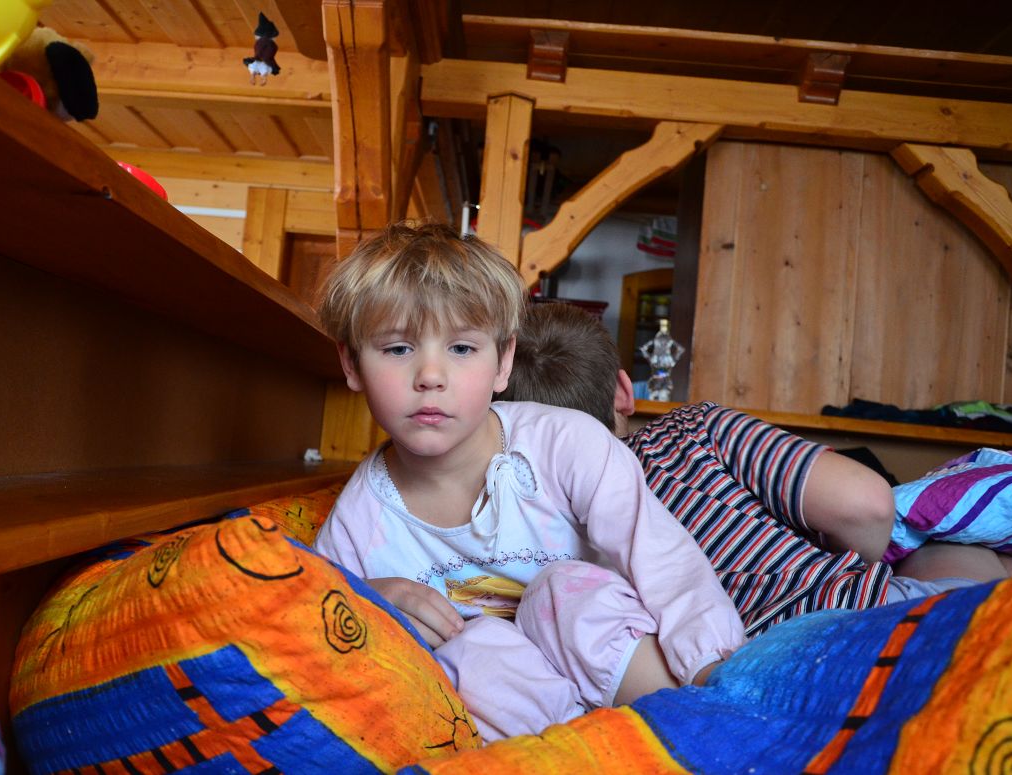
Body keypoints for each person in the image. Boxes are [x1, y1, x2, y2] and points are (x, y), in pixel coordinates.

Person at [312, 222, 747, 743]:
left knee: (565, 591)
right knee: (471, 651)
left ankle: (704, 732)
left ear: (504, 363)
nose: (430, 375)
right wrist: (369, 599)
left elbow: (665, 562)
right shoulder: (357, 524)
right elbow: (321, 635)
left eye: (462, 348)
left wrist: (716, 671)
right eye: (398, 349)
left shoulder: (566, 443)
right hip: (531, 725)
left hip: (624, 673)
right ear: (351, 364)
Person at [498, 302, 1011, 635]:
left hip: (748, 660)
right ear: (623, 392)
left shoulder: (533, 522)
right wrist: (861, 563)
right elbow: (868, 505)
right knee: (956, 542)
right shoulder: (691, 430)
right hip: (858, 618)